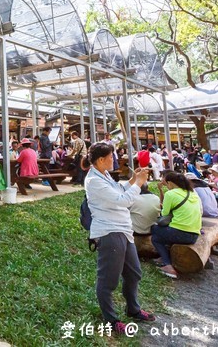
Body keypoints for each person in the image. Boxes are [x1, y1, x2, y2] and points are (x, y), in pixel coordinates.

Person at [84, 142, 155, 334]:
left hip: (124, 230)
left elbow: (120, 191)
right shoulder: (94, 181)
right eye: (110, 157)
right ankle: (111, 319)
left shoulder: (104, 175)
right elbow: (123, 201)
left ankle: (133, 309)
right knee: (108, 280)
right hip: (109, 232)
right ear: (100, 160)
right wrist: (139, 183)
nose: (113, 160)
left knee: (134, 273)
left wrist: (132, 179)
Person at [151, 171, 202, 279]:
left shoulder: (171, 194)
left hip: (179, 233)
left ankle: (167, 265)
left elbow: (164, 214)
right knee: (164, 232)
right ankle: (166, 256)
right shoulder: (191, 193)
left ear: (170, 183)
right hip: (194, 235)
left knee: (155, 233)